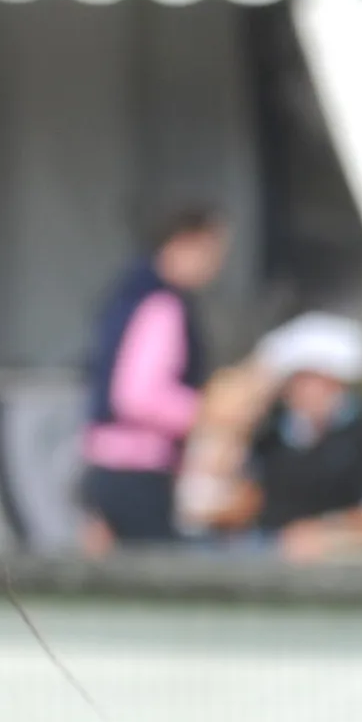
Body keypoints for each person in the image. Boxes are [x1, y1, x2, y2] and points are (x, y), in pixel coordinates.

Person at [77, 204, 226, 549]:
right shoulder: (162, 305)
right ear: (184, 243)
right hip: (135, 469)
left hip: (104, 464)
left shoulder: (126, 295)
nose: (216, 266)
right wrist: (206, 413)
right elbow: (137, 395)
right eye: (212, 252)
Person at [233, 310, 362, 543]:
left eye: (313, 380)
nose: (304, 391)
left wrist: (326, 532)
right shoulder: (271, 436)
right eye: (298, 381)